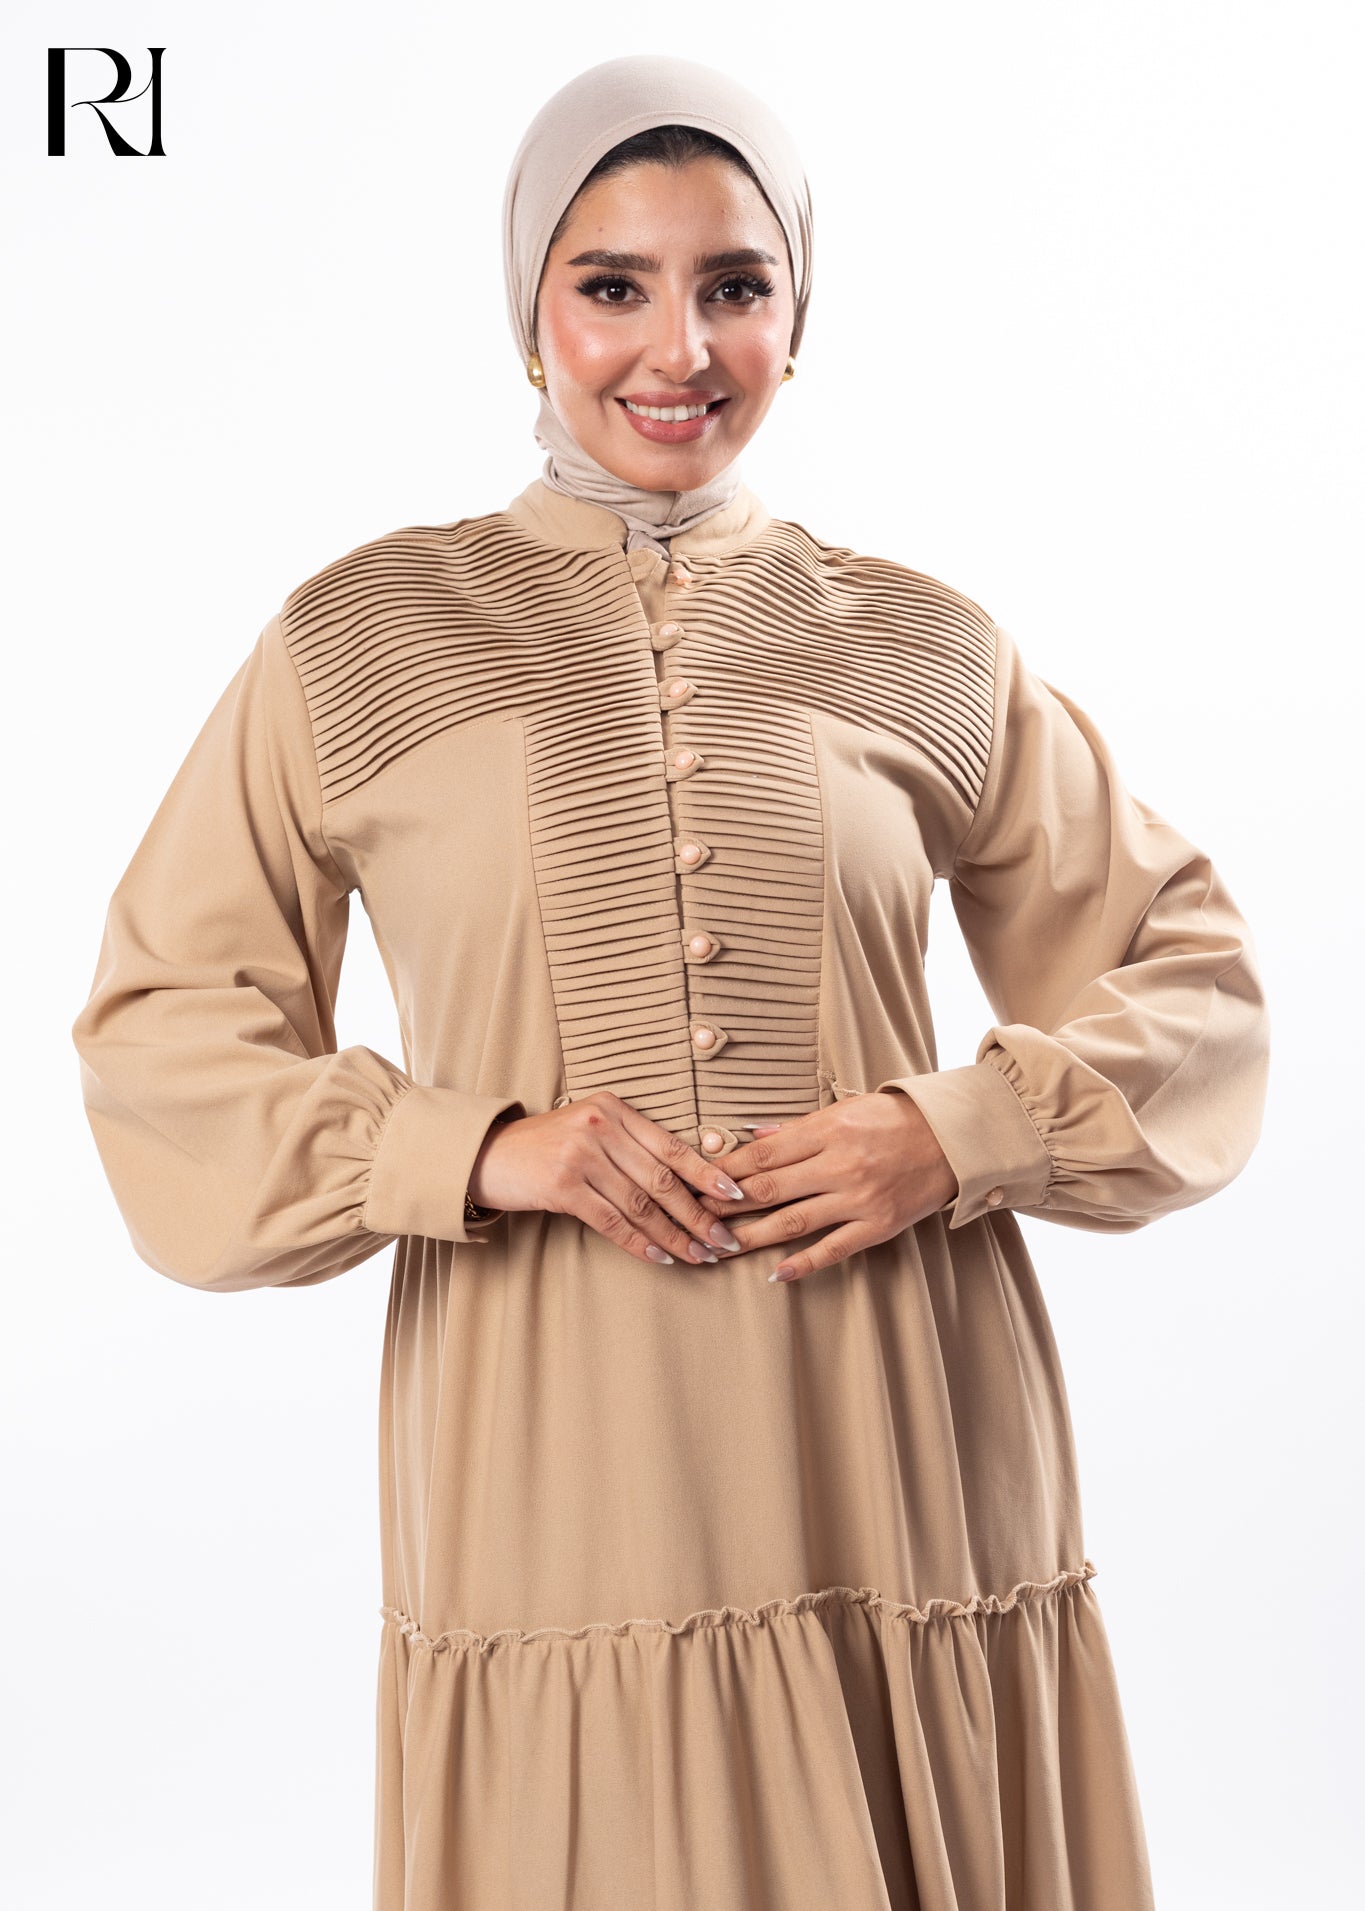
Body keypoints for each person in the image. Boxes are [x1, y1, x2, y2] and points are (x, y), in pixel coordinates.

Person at [71, 51, 1270, 1911]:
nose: (677, 349)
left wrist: (951, 1132)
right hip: (556, 1440)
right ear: (528, 312)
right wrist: (473, 1149)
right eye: (611, 286)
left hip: (900, 1423)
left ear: (797, 314)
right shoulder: (357, 638)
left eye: (735, 286)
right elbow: (162, 1032)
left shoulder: (923, 643)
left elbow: (1192, 975)